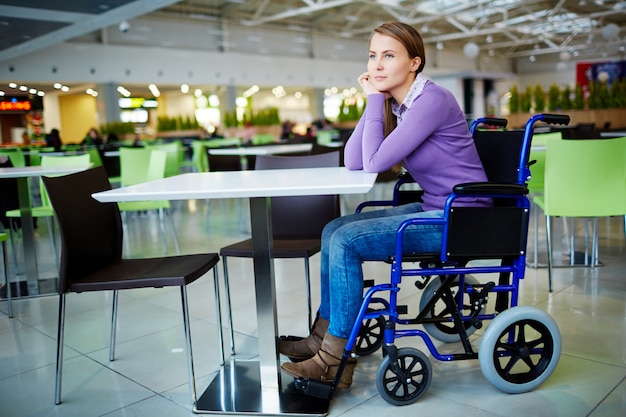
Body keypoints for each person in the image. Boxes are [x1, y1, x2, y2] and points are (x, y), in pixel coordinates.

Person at [279, 21, 491, 390]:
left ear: (414, 63)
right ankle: (320, 339)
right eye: (373, 55)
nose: (376, 64)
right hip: (435, 208)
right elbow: (352, 160)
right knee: (334, 229)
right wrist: (375, 103)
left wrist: (375, 99)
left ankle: (332, 361)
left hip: (462, 218)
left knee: (346, 241)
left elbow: (375, 163)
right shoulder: (400, 105)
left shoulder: (432, 100)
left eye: (388, 55)